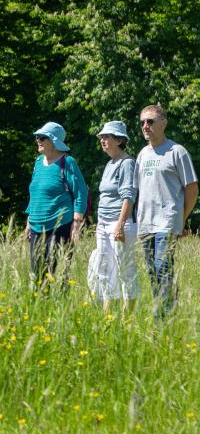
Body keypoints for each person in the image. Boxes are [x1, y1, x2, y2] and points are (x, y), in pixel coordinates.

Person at [136, 105, 198, 317]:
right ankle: (161, 316)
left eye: (150, 121)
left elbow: (192, 188)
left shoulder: (177, 152)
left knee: (163, 267)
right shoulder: (142, 154)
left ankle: (167, 317)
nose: (146, 126)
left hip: (167, 222)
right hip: (145, 224)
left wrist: (180, 219)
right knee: (153, 273)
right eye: (143, 122)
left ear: (164, 123)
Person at [25, 122, 88, 292]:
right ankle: (41, 310)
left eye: (42, 138)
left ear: (53, 140)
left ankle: (59, 310)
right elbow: (35, 192)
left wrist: (76, 222)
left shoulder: (67, 162)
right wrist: (28, 221)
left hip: (59, 225)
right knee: (37, 275)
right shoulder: (38, 162)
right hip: (37, 225)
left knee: (57, 273)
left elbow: (81, 191)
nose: (38, 140)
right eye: (37, 137)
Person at [87, 121, 138, 314]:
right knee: (105, 270)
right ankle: (108, 316)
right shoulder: (110, 164)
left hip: (120, 224)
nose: (102, 140)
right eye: (101, 137)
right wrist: (101, 224)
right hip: (104, 224)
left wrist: (120, 224)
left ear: (119, 140)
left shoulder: (127, 163)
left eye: (106, 136)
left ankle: (127, 318)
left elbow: (128, 196)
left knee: (125, 271)